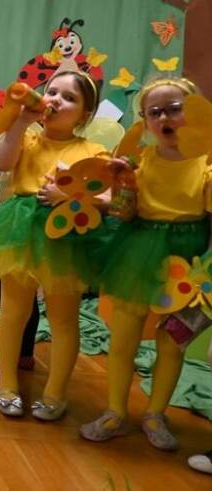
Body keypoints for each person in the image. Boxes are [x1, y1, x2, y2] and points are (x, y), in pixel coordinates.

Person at [81, 77, 211, 450]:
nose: (165, 118)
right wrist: (122, 185)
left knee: (172, 343)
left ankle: (155, 413)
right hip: (138, 249)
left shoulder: (206, 163)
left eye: (175, 108)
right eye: (155, 112)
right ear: (146, 121)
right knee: (124, 337)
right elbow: (123, 214)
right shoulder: (140, 161)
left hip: (188, 260)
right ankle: (115, 411)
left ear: (195, 112)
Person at [0, 69, 104, 420]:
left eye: (69, 98)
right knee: (13, 311)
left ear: (85, 115)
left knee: (63, 317)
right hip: (21, 228)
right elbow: (1, 162)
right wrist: (21, 121)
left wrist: (70, 194)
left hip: (66, 232)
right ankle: (6, 384)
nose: (56, 100)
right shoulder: (27, 137)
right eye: (52, 91)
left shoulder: (92, 151)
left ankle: (56, 392)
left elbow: (106, 196)